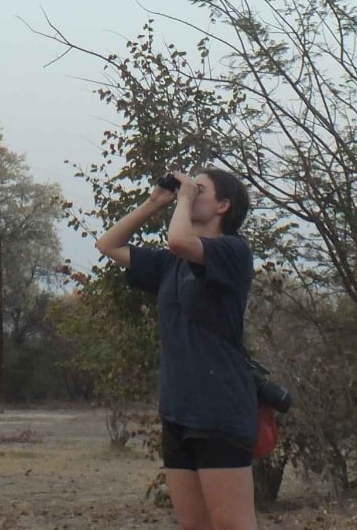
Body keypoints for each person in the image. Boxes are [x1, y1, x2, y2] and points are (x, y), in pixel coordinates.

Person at [95, 167, 258, 530]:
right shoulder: (172, 265)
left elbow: (179, 241)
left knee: (232, 526)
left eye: (200, 189)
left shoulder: (233, 251)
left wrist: (182, 201)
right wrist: (154, 203)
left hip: (220, 409)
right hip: (177, 409)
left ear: (223, 206)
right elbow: (108, 245)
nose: (191, 192)